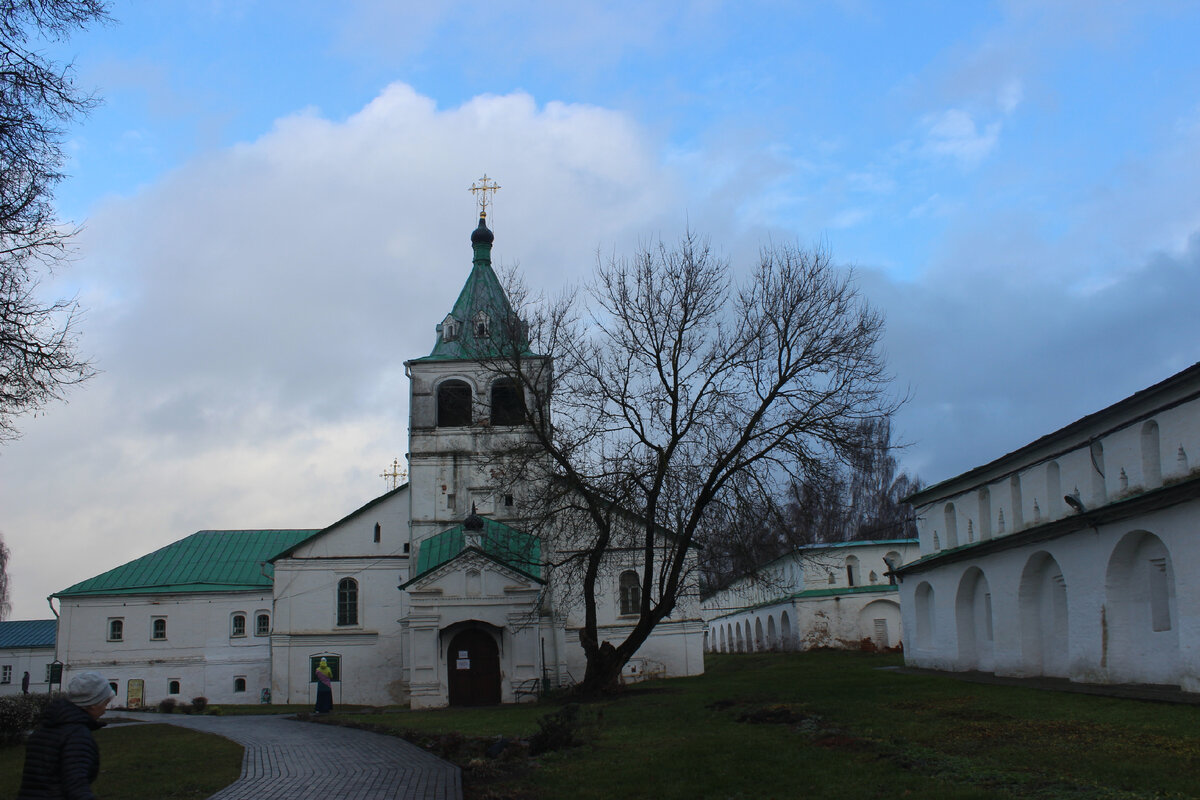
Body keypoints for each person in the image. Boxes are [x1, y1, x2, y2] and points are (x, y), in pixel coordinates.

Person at [17, 671, 114, 800]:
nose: (104, 710)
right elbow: (77, 786)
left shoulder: (46, 729)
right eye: (104, 703)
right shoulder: (77, 736)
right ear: (92, 705)